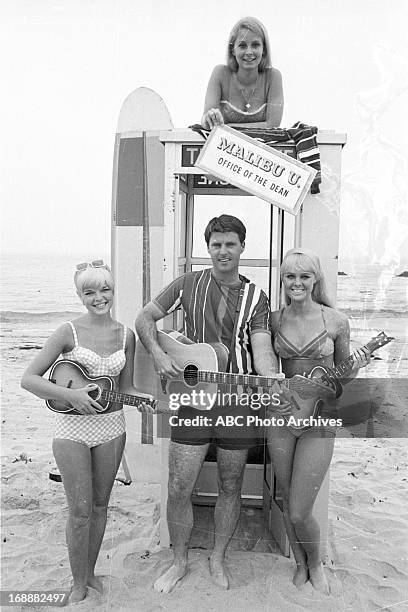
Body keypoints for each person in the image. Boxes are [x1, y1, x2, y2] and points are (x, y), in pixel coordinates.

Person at [135, 214, 279, 593]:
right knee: (179, 487)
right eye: (216, 244)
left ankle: (217, 558)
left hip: (237, 402)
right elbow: (144, 318)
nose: (223, 251)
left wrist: (270, 376)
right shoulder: (187, 284)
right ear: (208, 247)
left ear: (242, 247)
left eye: (230, 244)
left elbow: (261, 348)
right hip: (192, 399)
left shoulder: (256, 297)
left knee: (230, 484)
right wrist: (159, 356)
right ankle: (180, 561)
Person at [21, 260, 143, 603]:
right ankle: (77, 583)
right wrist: (71, 395)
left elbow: (127, 388)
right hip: (71, 430)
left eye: (104, 289)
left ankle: (90, 573)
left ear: (113, 292)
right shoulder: (67, 332)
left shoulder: (126, 336)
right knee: (80, 510)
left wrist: (145, 401)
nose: (98, 297)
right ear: (80, 295)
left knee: (101, 506)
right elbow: (28, 379)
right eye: (89, 291)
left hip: (112, 429)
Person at [267, 248, 371, 594]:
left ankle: (315, 564)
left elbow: (344, 379)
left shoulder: (336, 320)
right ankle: (299, 564)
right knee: (284, 497)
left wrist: (355, 367)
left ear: (315, 279)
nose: (297, 282)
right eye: (290, 276)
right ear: (283, 280)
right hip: (281, 418)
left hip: (320, 420)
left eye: (304, 276)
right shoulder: (273, 319)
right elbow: (267, 369)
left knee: (299, 510)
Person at [201, 16, 283, 130]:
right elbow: (206, 122)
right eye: (242, 45)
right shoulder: (220, 73)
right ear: (233, 50)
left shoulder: (273, 77)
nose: (249, 52)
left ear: (264, 49)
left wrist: (226, 128)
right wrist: (209, 118)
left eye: (255, 45)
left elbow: (273, 124)